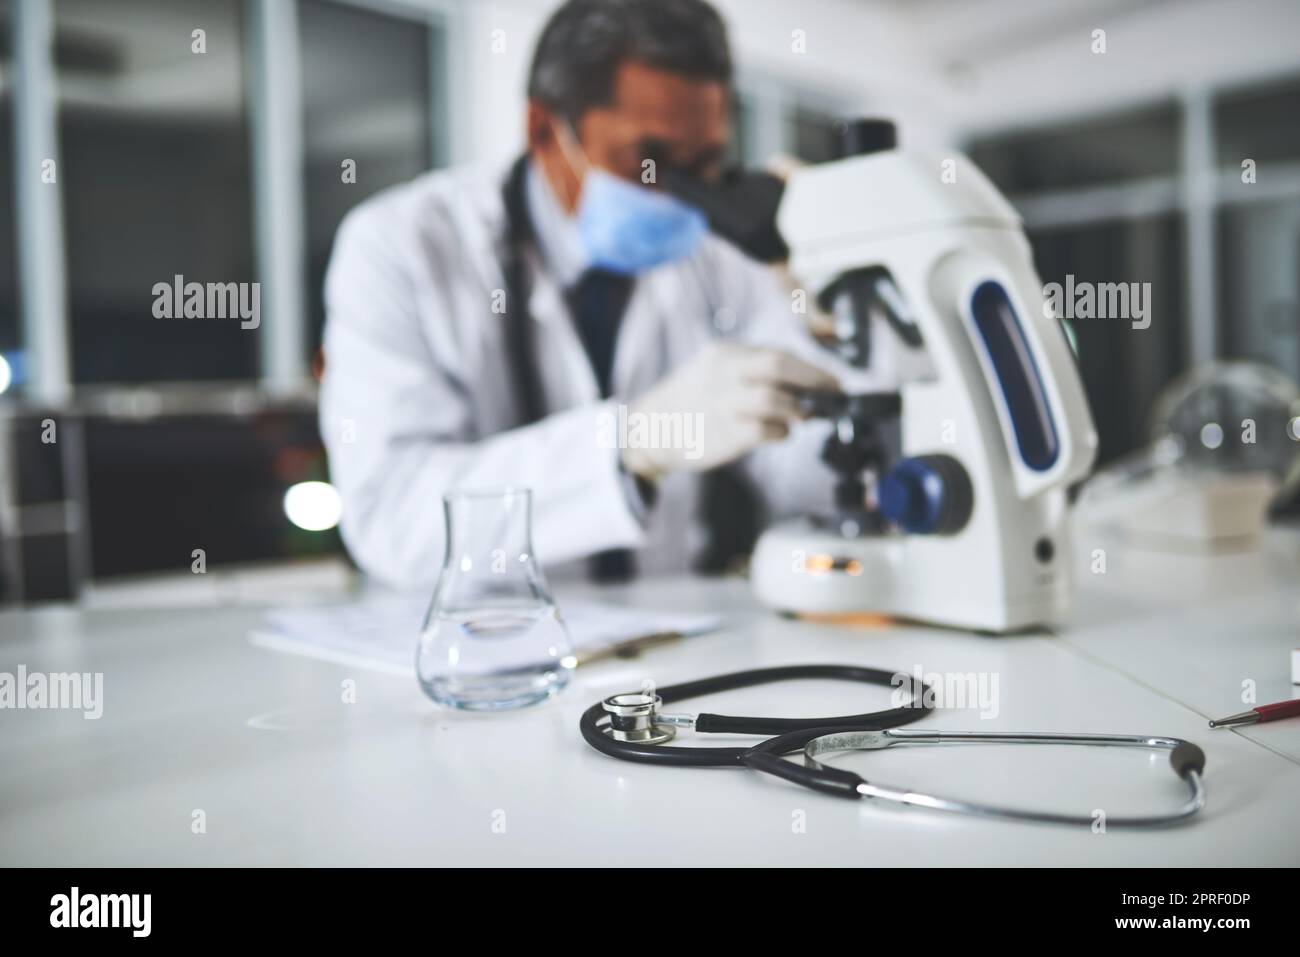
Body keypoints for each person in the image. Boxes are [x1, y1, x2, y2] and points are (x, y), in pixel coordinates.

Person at [320, 0, 843, 589]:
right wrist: (632, 444)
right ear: (544, 130)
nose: (679, 195)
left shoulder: (718, 257)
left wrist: (839, 334)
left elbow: (811, 477)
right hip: (482, 649)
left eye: (704, 164)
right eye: (650, 162)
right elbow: (393, 521)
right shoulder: (402, 246)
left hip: (671, 636)